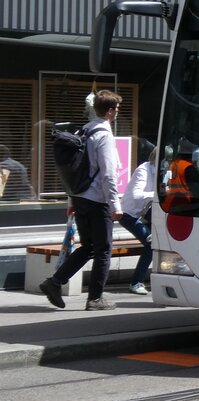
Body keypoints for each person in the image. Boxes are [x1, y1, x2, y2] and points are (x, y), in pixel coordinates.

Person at [39, 89, 123, 311]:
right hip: (97, 200)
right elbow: (108, 174)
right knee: (103, 250)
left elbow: (73, 171)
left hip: (79, 198)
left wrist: (70, 202)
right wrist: (116, 204)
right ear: (110, 111)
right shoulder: (104, 135)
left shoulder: (84, 130)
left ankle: (54, 282)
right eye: (117, 109)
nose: (117, 113)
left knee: (89, 247)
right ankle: (95, 299)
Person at [118, 139, 156, 295]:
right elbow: (137, 195)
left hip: (145, 214)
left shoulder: (160, 173)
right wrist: (158, 194)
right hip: (129, 214)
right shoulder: (144, 170)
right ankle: (136, 282)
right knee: (151, 244)